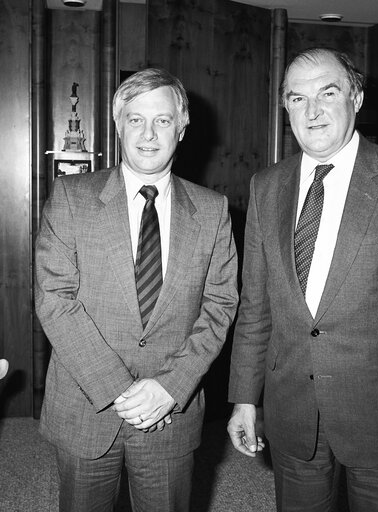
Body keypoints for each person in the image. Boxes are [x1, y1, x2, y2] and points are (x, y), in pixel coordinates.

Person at [227, 47, 378, 512]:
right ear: (285, 107)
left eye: (328, 92)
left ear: (356, 98)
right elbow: (255, 306)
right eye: (297, 98)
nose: (313, 110)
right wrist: (244, 397)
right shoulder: (266, 185)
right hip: (293, 413)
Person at [35, 68, 239, 512]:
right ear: (117, 124)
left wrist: (171, 386)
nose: (148, 133)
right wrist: (120, 389)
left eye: (163, 120)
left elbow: (220, 306)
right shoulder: (71, 197)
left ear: (182, 128)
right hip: (85, 407)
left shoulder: (213, 210)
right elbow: (55, 300)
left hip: (170, 410)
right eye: (135, 119)